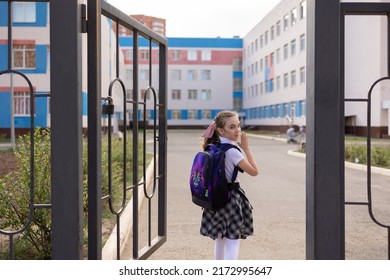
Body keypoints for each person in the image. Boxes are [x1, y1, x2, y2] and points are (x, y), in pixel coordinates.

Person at [199, 110, 259, 260]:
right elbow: (254, 171)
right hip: (231, 199)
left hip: (216, 197)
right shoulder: (233, 151)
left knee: (220, 239)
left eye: (238, 125)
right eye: (232, 127)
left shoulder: (213, 146)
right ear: (220, 130)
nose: (237, 130)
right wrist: (246, 148)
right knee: (233, 240)